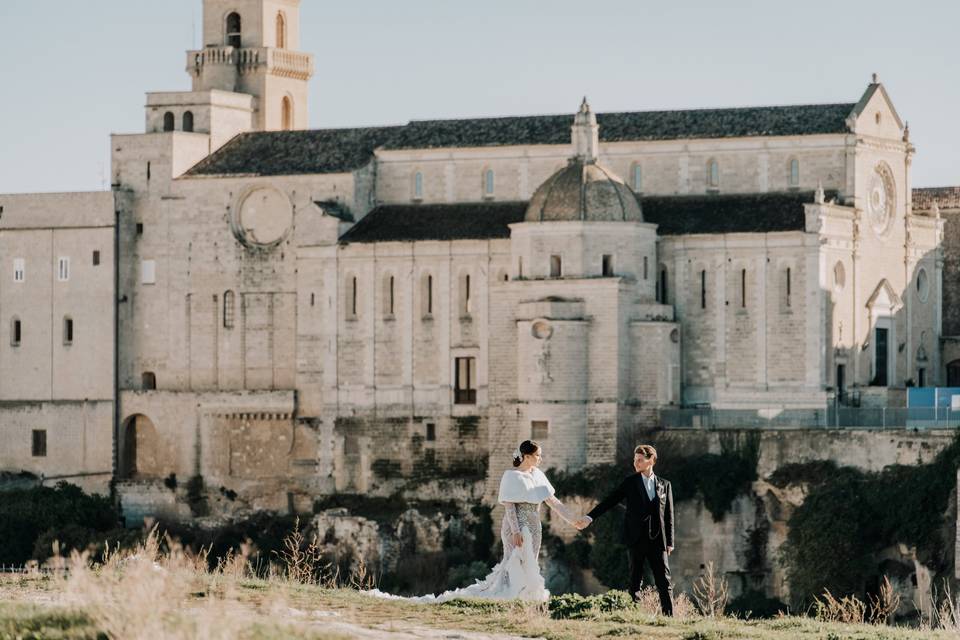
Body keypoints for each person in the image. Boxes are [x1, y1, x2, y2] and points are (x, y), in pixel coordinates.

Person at [366, 439, 583, 602]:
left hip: (534, 525)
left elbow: (553, 501)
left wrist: (573, 520)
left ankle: (524, 597)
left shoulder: (538, 475)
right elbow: (509, 506)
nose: (540, 459)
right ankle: (507, 595)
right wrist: (516, 531)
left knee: (530, 562)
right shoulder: (511, 476)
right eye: (537, 456)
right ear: (526, 456)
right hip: (516, 524)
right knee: (514, 559)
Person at [577, 444, 675, 615]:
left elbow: (669, 516)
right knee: (635, 580)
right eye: (634, 460)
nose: (635, 463)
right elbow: (610, 501)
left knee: (664, 581)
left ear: (651, 460)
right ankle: (635, 615)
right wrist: (589, 517)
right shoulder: (630, 483)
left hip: (658, 541)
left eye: (639, 460)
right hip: (636, 539)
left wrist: (670, 542)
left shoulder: (664, 485)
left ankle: (669, 617)